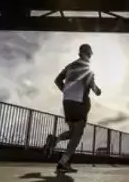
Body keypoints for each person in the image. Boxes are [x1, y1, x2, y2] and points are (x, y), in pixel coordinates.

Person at [43, 43, 101, 173]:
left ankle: (55, 140)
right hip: (79, 103)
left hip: (67, 102)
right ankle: (63, 162)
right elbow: (94, 87)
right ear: (89, 54)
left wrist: (66, 90)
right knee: (78, 133)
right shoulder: (87, 68)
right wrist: (98, 91)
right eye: (90, 54)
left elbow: (57, 80)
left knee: (72, 132)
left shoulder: (70, 66)